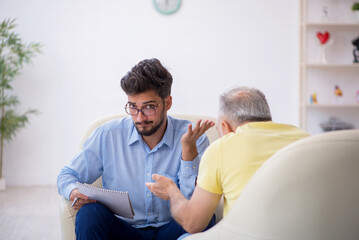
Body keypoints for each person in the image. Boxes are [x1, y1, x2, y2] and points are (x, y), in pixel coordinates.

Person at [57, 58, 215, 240]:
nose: (139, 117)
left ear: (168, 103)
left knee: (204, 218)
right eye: (133, 107)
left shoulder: (193, 138)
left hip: (172, 230)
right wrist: (73, 192)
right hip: (123, 231)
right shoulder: (108, 134)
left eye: (149, 107)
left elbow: (194, 202)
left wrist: (188, 152)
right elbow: (66, 175)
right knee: (89, 214)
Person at [146, 86, 310, 235]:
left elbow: (192, 223)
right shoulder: (306, 139)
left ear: (225, 127)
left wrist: (172, 191)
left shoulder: (222, 147)